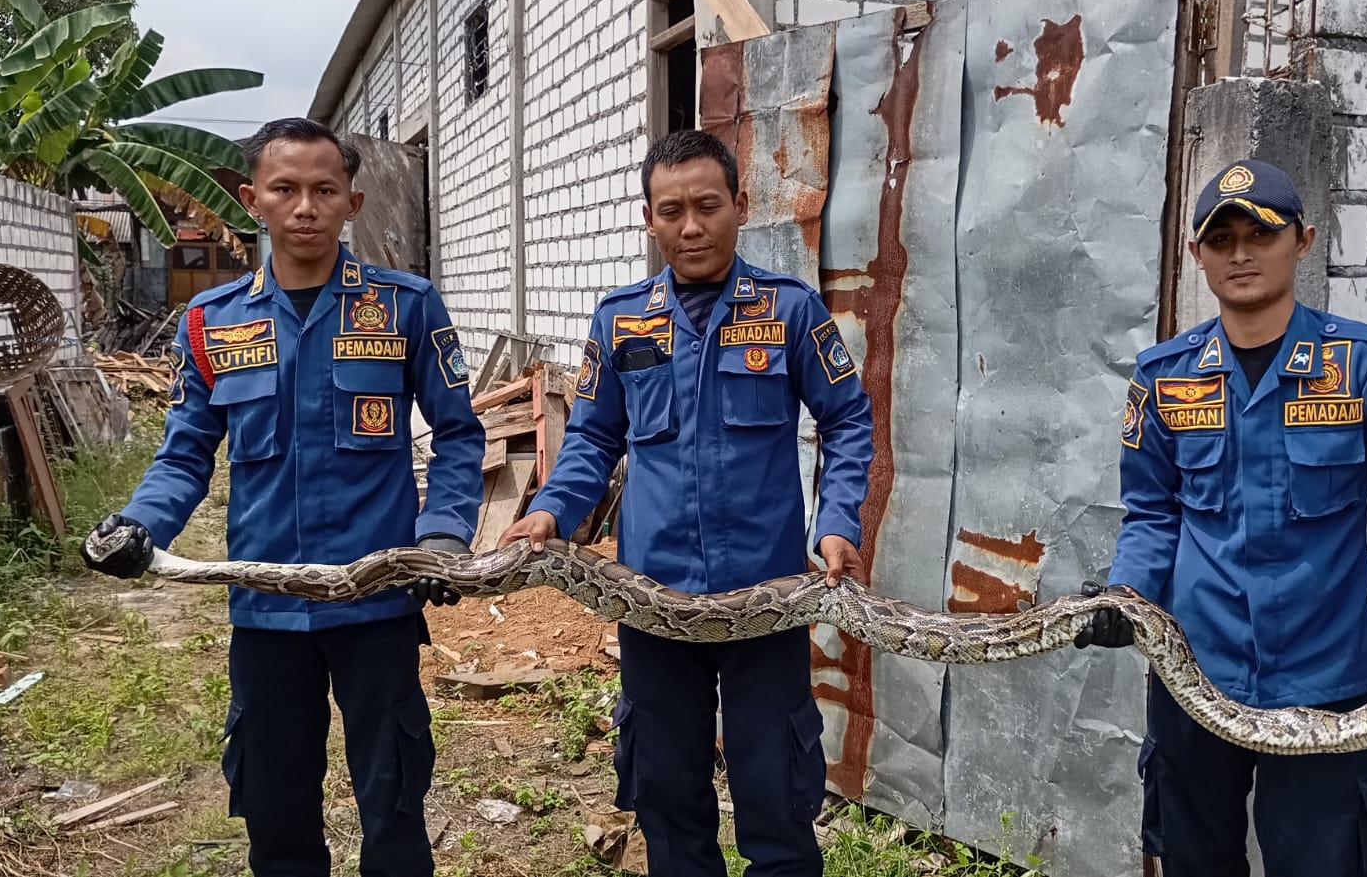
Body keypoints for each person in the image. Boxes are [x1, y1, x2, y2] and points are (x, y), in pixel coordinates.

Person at [79, 118, 485, 877]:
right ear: (251, 199)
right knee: (274, 811)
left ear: (352, 202)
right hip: (266, 610)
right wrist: (138, 524)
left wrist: (443, 536)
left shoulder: (406, 306)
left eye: (324, 190)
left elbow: (460, 434)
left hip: (377, 605)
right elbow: (185, 452)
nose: (306, 206)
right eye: (286, 189)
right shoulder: (211, 321)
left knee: (395, 805)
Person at [1073, 159, 1367, 876]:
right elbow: (1152, 512)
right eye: (1220, 238)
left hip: (1323, 687)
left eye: (1261, 231)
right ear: (1198, 255)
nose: (1241, 252)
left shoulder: (1366, 364)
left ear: (1304, 239)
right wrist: (1126, 598)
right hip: (1194, 675)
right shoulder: (1165, 377)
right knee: (1194, 862)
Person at [496, 129, 874, 877]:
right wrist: (552, 512)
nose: (691, 225)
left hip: (767, 597)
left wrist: (836, 522)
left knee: (778, 796)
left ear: (741, 204)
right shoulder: (621, 319)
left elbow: (847, 418)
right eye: (671, 210)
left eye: (707, 205)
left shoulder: (791, 310)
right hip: (652, 599)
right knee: (668, 799)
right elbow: (593, 439)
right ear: (649, 217)